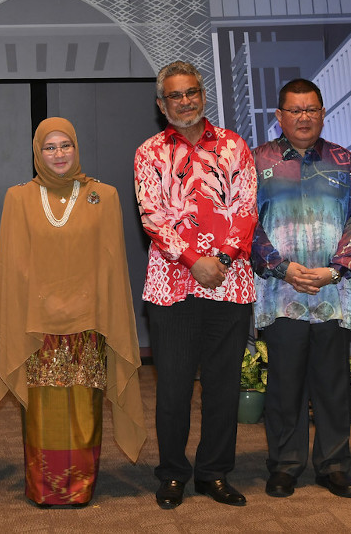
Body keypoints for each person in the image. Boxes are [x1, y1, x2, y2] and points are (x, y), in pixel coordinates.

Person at [0, 117, 147, 507]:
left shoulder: (104, 196)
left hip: (87, 323)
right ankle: (44, 487)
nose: (59, 154)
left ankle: (79, 486)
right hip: (37, 325)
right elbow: (12, 266)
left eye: (66, 145)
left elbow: (111, 265)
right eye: (50, 147)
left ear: (76, 148)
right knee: (42, 409)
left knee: (83, 406)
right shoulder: (18, 198)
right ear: (37, 152)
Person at [133, 60, 258, 508]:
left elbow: (246, 210)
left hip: (229, 282)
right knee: (174, 388)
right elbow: (153, 218)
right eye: (175, 95)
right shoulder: (149, 152)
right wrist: (193, 261)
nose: (185, 101)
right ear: (161, 104)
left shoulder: (234, 146)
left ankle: (214, 473)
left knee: (223, 387)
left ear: (203, 95)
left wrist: (219, 260)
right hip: (172, 286)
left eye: (191, 92)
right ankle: (172, 474)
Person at [250, 79, 351, 499]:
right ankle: (285, 464)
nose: (304, 117)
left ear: (322, 113)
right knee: (284, 384)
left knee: (333, 384)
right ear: (279, 117)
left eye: (311, 109)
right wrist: (282, 268)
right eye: (295, 110)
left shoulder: (345, 162)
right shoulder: (256, 161)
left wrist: (334, 270)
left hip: (331, 293)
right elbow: (245, 223)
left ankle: (333, 465)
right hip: (280, 294)